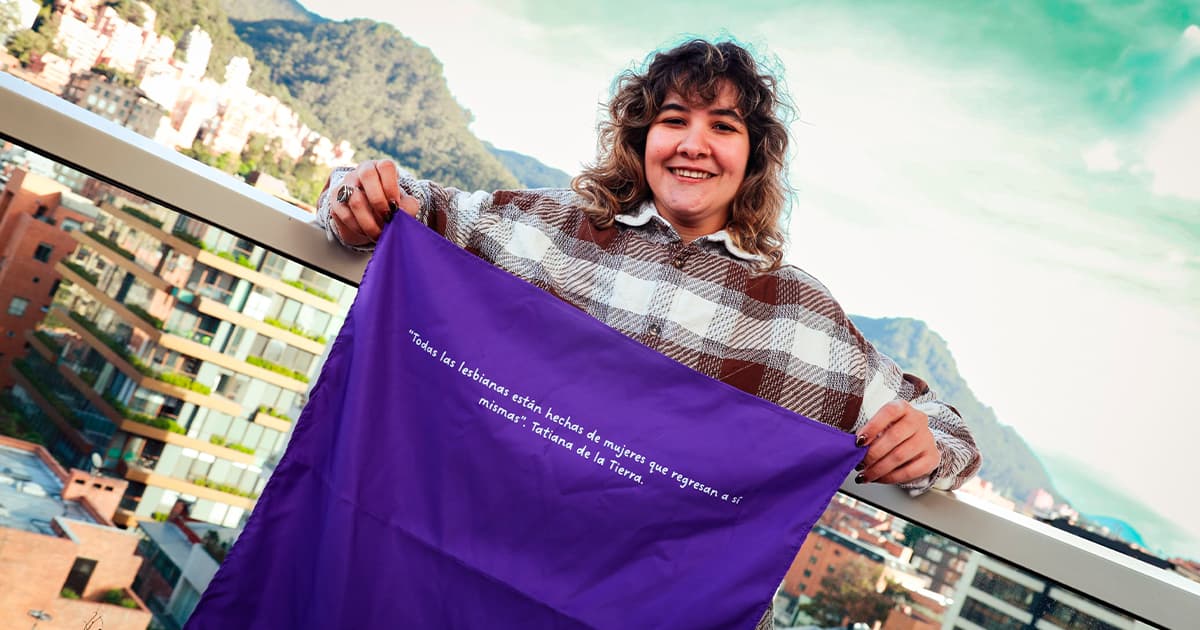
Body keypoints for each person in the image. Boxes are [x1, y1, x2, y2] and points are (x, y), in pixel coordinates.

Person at [316, 38, 980, 627]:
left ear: (753, 158)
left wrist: (925, 448)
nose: (694, 143)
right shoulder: (544, 233)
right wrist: (354, 199)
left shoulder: (802, 321)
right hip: (466, 593)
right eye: (674, 119)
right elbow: (406, 205)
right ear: (641, 137)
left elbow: (945, 431)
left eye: (723, 126)